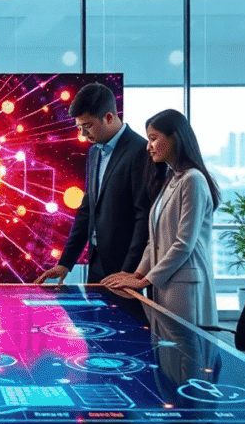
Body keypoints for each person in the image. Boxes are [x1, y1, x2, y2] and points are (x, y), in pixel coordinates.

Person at [103, 108, 221, 327]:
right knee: (168, 355)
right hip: (164, 284)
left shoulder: (193, 179)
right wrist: (137, 275)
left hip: (185, 288)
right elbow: (153, 240)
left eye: (154, 139)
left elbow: (184, 244)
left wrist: (145, 280)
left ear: (175, 138)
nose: (148, 147)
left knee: (188, 355)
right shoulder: (171, 178)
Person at [36, 82, 159, 287]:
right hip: (96, 264)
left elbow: (143, 216)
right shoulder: (94, 153)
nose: (83, 135)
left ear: (109, 117)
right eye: (79, 128)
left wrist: (130, 272)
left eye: (88, 126)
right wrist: (66, 263)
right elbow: (87, 211)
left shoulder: (140, 151)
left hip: (125, 269)